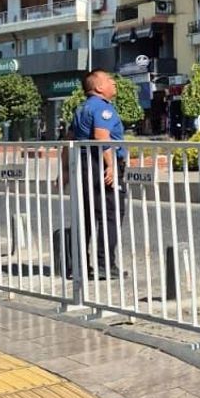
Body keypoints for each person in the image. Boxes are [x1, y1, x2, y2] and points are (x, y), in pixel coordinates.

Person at [70, 70, 127, 280]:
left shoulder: (81, 108)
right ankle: (105, 265)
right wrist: (111, 165)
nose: (114, 83)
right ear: (99, 87)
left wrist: (65, 170)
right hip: (100, 164)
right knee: (110, 213)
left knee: (86, 214)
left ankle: (79, 265)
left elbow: (69, 137)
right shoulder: (103, 108)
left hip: (84, 164)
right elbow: (101, 136)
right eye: (110, 80)